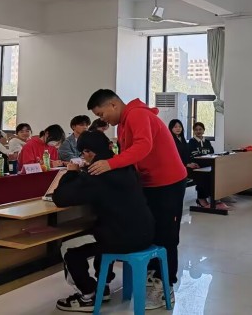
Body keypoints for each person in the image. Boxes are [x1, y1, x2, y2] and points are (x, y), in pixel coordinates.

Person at [86, 89, 187, 309]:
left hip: (168, 182)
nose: (103, 120)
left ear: (113, 105)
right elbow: (131, 155)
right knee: (151, 231)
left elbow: (143, 146)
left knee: (167, 235)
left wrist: (110, 164)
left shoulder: (137, 114)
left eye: (102, 114)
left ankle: (166, 285)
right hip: (149, 183)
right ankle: (153, 276)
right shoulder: (124, 123)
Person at [53, 131, 154, 312]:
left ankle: (88, 295)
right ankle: (103, 285)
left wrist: (71, 173)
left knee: (67, 246)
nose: (83, 157)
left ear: (88, 152)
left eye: (84, 153)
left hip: (123, 237)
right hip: (146, 232)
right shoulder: (126, 167)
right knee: (100, 231)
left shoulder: (96, 175)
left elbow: (60, 198)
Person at [187, 123, 227, 210]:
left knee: (216, 175)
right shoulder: (191, 142)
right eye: (196, 130)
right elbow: (192, 155)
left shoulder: (207, 142)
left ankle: (215, 197)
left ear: (204, 130)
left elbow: (211, 153)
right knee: (203, 176)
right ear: (193, 131)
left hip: (207, 166)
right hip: (197, 167)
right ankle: (201, 199)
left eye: (200, 129)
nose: (198, 131)